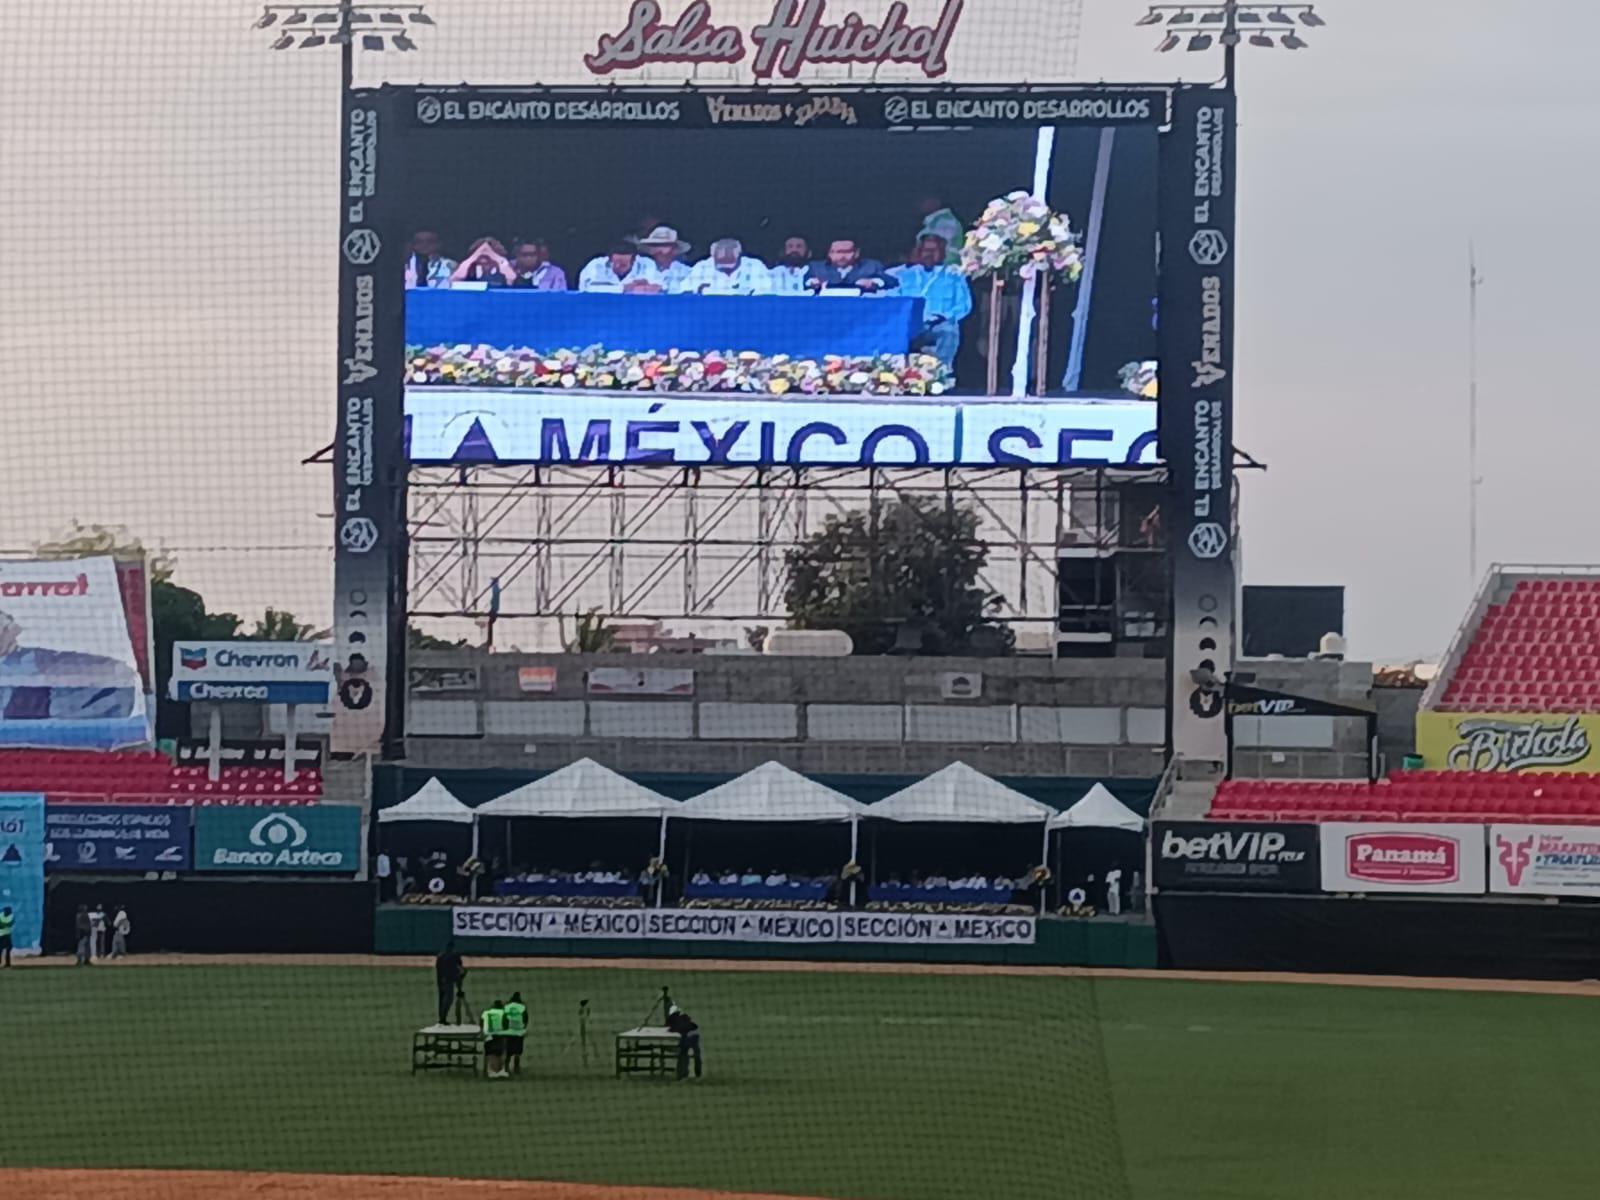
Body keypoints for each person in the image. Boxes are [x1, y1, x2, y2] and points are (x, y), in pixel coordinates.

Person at [888, 234, 972, 366]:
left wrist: (945, 316)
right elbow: (894, 300)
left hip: (940, 324)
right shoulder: (904, 275)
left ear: (942, 253)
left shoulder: (954, 276)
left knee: (949, 330)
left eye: (934, 250)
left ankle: (942, 371)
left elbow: (964, 305)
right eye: (926, 250)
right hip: (910, 325)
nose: (929, 254)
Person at [683, 238, 773, 296]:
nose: (726, 268)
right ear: (712, 256)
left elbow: (766, 296)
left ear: (739, 255)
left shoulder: (755, 267)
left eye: (730, 263)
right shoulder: (701, 268)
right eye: (721, 263)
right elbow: (684, 295)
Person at [805, 239, 897, 293]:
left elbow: (892, 281)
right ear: (829, 254)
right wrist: (811, 282)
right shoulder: (816, 267)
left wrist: (874, 282)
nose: (841, 256)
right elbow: (804, 281)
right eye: (837, 252)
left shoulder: (872, 266)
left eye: (846, 252)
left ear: (856, 253)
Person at [578, 242, 664, 293]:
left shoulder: (646, 264)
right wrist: (624, 288)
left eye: (623, 265)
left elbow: (657, 287)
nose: (618, 266)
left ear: (634, 261)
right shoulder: (596, 265)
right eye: (615, 263)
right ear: (609, 259)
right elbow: (586, 289)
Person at [630, 225, 693, 293]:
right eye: (655, 245)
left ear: (674, 248)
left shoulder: (687, 272)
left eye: (664, 245)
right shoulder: (638, 267)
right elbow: (624, 289)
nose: (659, 250)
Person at [449, 236, 514, 287]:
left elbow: (512, 278)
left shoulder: (503, 267)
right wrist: (473, 256)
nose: (484, 261)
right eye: (481, 256)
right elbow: (453, 281)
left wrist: (493, 255)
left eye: (488, 257)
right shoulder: (469, 269)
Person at [916, 195, 964, 265]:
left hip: (945, 267)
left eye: (922, 200)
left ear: (936, 201)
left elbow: (933, 249)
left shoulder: (945, 220)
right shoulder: (933, 222)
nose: (918, 204)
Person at [666, 999, 702, 1080]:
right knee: (694, 1053)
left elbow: (671, 1027)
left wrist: (671, 1029)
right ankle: (695, 1072)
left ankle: (682, 1073)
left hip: (688, 1035)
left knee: (683, 1053)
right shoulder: (684, 1016)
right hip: (693, 1034)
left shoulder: (674, 1018)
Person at [435, 939, 465, 1025]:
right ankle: (442, 1019)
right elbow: (460, 969)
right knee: (447, 1000)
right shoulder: (448, 956)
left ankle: (442, 1018)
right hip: (447, 980)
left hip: (445, 980)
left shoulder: (442, 956)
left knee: (444, 1000)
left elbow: (460, 968)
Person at [481, 997, 509, 1079]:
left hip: (488, 1035)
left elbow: (481, 1023)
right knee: (500, 1053)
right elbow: (506, 1026)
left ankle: (485, 1070)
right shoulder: (504, 1014)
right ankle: (500, 1070)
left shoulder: (486, 1013)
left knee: (488, 1053)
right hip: (499, 1036)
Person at [503, 990, 528, 1076]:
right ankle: (516, 1068)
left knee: (508, 1051)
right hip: (519, 1031)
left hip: (509, 1031)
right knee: (518, 1051)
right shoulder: (522, 1007)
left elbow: (504, 1019)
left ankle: (506, 1067)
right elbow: (525, 1020)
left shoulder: (507, 1007)